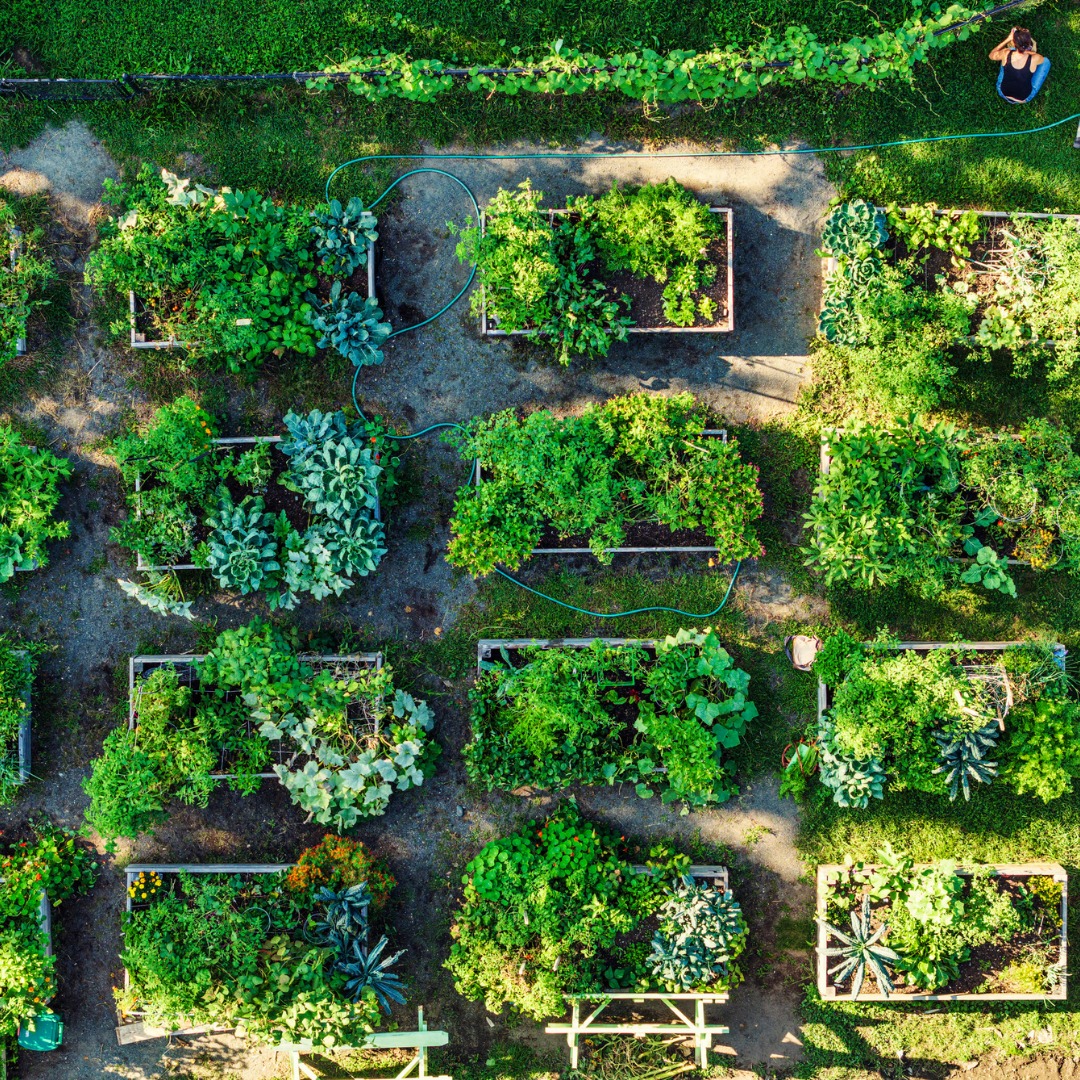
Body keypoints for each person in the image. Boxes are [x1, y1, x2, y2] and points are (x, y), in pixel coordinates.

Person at [990, 27, 1050, 104]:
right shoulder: (1035, 58)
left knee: (1006, 59)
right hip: (1024, 98)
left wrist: (1007, 39)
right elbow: (1039, 58)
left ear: (1014, 43)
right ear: (1029, 44)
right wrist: (1033, 47)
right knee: (1046, 61)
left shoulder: (1006, 52)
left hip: (1003, 92)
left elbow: (991, 55)